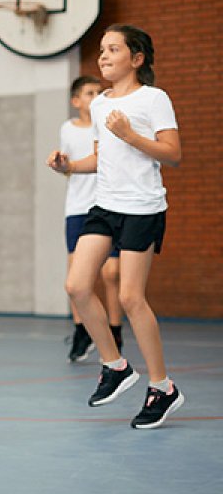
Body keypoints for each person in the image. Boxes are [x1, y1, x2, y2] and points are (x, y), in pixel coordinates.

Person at [47, 24, 184, 429]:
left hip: (142, 208)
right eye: (102, 50)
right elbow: (99, 157)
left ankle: (163, 387)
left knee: (130, 297)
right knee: (76, 286)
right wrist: (69, 166)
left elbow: (173, 154)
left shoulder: (153, 99)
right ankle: (116, 366)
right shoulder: (102, 103)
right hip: (104, 205)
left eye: (113, 50)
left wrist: (131, 135)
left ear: (136, 59)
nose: (103, 56)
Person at [59, 76, 123, 362]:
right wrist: (63, 165)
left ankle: (115, 328)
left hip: (107, 206)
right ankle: (81, 330)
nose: (95, 95)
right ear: (76, 101)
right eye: (89, 92)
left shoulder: (110, 125)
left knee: (111, 273)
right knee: (76, 275)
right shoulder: (68, 129)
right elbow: (69, 166)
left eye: (99, 91)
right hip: (77, 208)